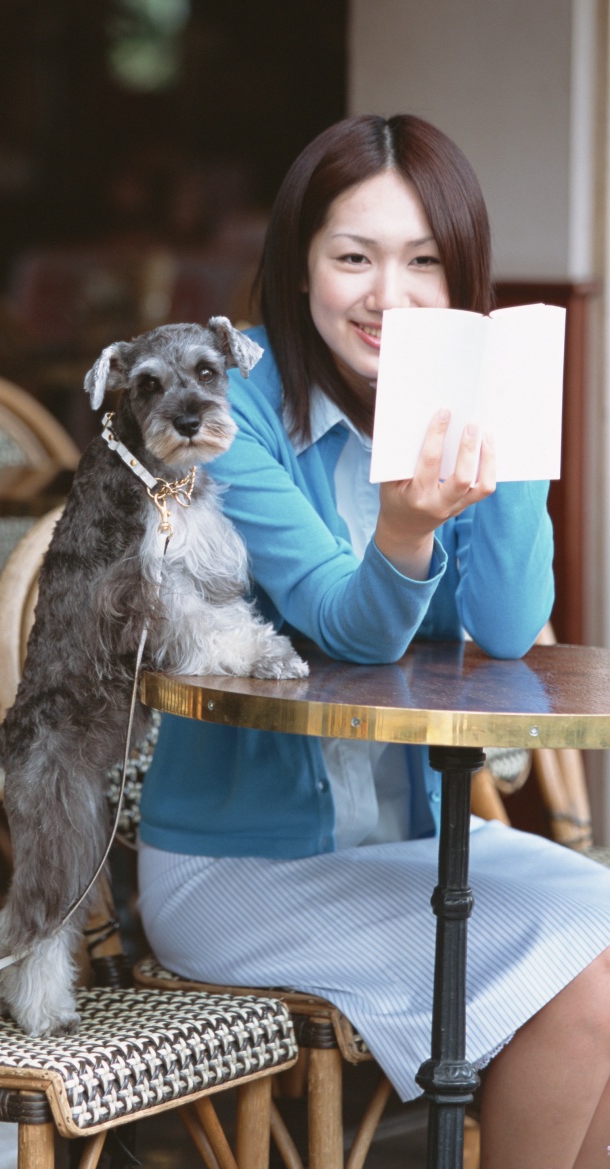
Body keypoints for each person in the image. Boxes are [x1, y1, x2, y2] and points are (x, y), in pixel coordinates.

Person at [136, 113, 610, 1168]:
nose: (385, 296)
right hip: (235, 871)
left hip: (406, 849)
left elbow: (497, 625)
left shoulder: (447, 402)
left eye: (423, 263)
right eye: (351, 256)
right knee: (583, 974)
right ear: (298, 267)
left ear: (460, 282)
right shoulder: (234, 417)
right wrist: (401, 528)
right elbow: (336, 625)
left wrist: (511, 418)